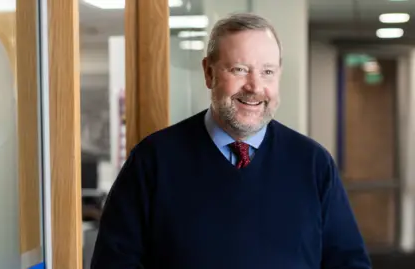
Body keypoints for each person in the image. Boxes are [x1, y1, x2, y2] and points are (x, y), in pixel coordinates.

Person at [91, 13, 371, 269]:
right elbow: (114, 264)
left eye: (267, 72)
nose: (254, 86)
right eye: (239, 69)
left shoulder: (312, 163)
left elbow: (348, 263)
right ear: (209, 73)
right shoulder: (153, 160)